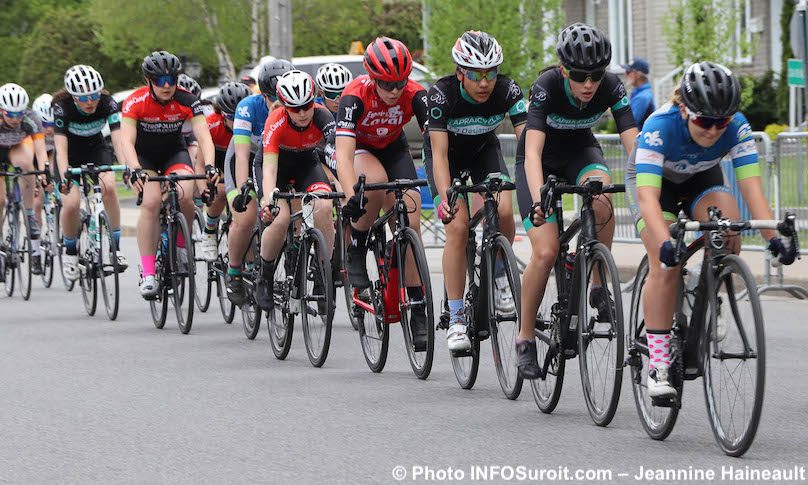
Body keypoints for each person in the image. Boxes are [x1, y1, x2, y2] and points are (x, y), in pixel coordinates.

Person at [627, 61, 797, 397]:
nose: (713, 130)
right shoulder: (660, 126)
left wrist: (773, 238)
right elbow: (647, 197)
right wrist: (664, 243)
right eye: (705, 121)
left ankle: (711, 288)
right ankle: (659, 363)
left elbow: (752, 191)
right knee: (666, 263)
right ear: (684, 109)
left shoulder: (737, 126)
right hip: (654, 184)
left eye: (721, 122)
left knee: (728, 226)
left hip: (701, 179)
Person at [514, 23, 639, 378]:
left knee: (602, 197)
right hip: (538, 161)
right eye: (581, 75)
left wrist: (646, 187)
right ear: (564, 69)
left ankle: (597, 286)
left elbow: (634, 144)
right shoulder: (547, 86)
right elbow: (533, 151)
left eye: (596, 75)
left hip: (580, 152)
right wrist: (540, 198)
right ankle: (524, 339)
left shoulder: (612, 87)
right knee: (546, 250)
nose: (589, 84)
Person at [424, 31, 526, 351]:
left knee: (505, 210)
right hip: (447, 158)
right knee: (457, 225)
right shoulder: (441, 94)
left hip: (484, 152)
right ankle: (456, 319)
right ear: (460, 73)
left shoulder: (508, 90)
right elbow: (439, 154)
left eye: (490, 73)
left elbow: (527, 143)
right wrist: (445, 197)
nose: (484, 83)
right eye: (476, 75)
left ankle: (496, 269)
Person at [335, 37, 429, 349]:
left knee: (410, 218)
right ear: (373, 78)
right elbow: (344, 155)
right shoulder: (354, 96)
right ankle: (358, 248)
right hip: (361, 148)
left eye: (400, 83)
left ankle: (416, 303)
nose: (394, 91)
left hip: (394, 147)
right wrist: (352, 196)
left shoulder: (416, 94)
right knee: (371, 185)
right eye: (386, 84)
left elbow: (438, 141)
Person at [119, 50, 218, 298]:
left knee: (185, 193)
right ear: (149, 81)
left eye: (171, 80)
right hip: (145, 158)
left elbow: (204, 136)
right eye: (160, 81)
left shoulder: (187, 100)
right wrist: (134, 168)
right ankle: (149, 272)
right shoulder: (135, 101)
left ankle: (182, 247)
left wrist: (210, 166)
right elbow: (126, 141)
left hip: (174, 153)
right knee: (151, 202)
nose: (167, 86)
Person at [255, 70, 337, 311]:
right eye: (295, 108)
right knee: (279, 220)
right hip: (275, 166)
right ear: (284, 106)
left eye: (307, 106)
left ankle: (323, 277)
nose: (302, 113)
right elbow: (269, 169)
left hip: (306, 165)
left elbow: (335, 152)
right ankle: (265, 276)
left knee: (324, 206)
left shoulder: (323, 115)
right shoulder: (276, 121)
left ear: (314, 101)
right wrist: (268, 202)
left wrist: (344, 184)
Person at [224, 59, 294, 305]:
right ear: (263, 94)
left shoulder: (297, 105)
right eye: (273, 98)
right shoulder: (248, 107)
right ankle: (234, 271)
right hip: (247, 158)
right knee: (246, 215)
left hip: (277, 160)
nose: (278, 105)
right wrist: (244, 188)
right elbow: (242, 155)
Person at [53, 65, 129, 280]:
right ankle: (70, 251)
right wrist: (65, 174)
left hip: (96, 150)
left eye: (94, 95)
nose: (90, 102)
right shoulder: (61, 107)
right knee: (71, 203)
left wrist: (125, 166)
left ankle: (116, 248)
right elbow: (60, 148)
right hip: (69, 155)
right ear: (73, 97)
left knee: (110, 188)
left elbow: (117, 138)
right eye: (83, 98)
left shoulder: (108, 103)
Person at [197, 81, 252, 261]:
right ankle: (210, 229)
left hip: (243, 162)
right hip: (218, 163)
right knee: (220, 190)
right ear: (221, 113)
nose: (236, 122)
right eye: (231, 117)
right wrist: (202, 187)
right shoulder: (212, 125)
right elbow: (200, 163)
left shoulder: (252, 121)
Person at [0, 83, 50, 276]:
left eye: (19, 113)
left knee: (27, 166)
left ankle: (28, 213)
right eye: (11, 114)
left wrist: (44, 171)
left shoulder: (31, 119)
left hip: (16, 147)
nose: (16, 118)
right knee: (1, 200)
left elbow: (40, 150)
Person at [621, 57, 655, 129]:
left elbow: (628, 123)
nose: (625, 74)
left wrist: (615, 109)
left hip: (639, 139)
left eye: (628, 71)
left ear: (638, 74)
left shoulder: (642, 97)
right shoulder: (639, 93)